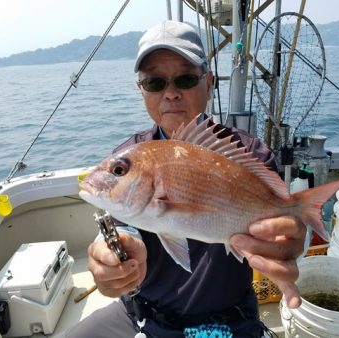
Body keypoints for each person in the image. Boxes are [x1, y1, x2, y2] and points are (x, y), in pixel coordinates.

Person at [60, 20, 306, 338]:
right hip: (141, 315)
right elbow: (123, 226)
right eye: (155, 83)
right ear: (142, 90)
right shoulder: (129, 154)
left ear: (209, 82)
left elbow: (277, 233)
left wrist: (288, 242)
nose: (171, 93)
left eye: (186, 79)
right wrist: (111, 261)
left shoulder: (248, 153)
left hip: (229, 319)